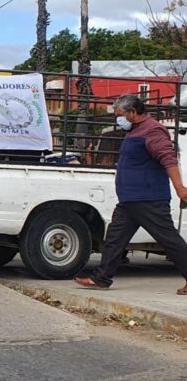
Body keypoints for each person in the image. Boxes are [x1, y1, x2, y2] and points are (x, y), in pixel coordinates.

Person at [75, 95, 187, 295]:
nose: (118, 120)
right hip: (130, 200)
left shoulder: (153, 131)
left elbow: (168, 159)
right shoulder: (135, 131)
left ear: (133, 112)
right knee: (115, 238)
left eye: (120, 115)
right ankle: (101, 278)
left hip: (148, 198)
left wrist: (180, 187)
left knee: (169, 240)